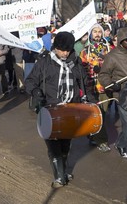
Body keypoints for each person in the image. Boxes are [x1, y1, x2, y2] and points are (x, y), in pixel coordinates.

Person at [25, 31, 88, 188]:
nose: (65, 53)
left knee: (66, 144)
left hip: (71, 109)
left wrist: (90, 102)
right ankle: (59, 177)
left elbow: (85, 84)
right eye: (62, 50)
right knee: (53, 144)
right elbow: (30, 81)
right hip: (50, 109)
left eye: (68, 50)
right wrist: (36, 92)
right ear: (55, 48)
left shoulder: (76, 62)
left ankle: (63, 171)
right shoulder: (44, 62)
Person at [98, 27, 127, 169]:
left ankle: (120, 144)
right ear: (121, 41)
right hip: (121, 95)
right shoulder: (112, 56)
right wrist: (111, 85)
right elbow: (103, 75)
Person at [79, 23, 112, 152]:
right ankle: (101, 140)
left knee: (102, 113)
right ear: (90, 34)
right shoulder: (85, 50)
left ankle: (95, 135)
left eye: (99, 31)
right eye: (95, 31)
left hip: (104, 86)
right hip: (91, 86)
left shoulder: (108, 49)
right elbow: (81, 68)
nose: (97, 34)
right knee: (96, 113)